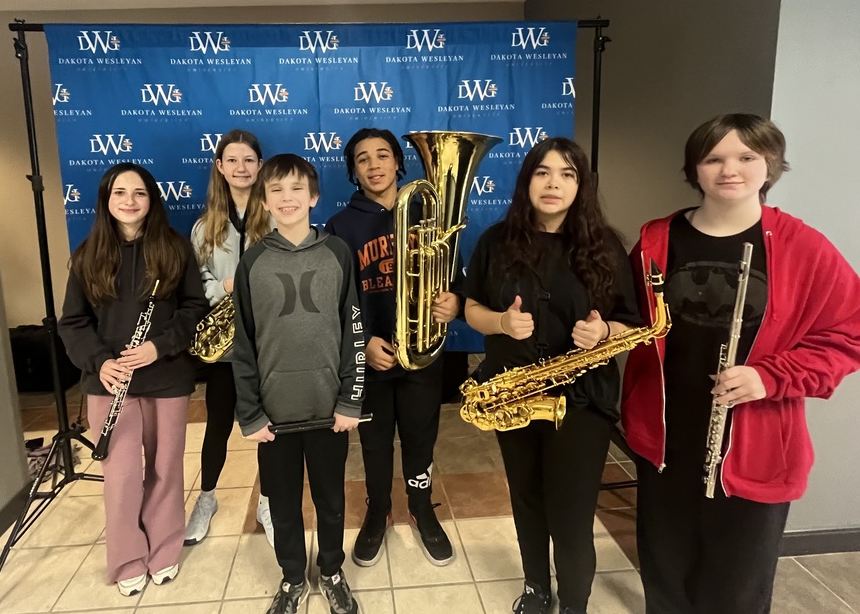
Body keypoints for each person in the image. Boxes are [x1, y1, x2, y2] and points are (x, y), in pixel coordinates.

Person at [622, 113, 860, 614]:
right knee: (665, 575)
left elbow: (848, 333)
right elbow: (628, 320)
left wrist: (770, 376)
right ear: (695, 168)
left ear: (770, 165)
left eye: (745, 157)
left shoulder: (804, 246)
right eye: (713, 158)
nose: (728, 169)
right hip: (667, 440)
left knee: (736, 589)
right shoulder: (656, 239)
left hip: (754, 445)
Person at [464, 137, 639, 614]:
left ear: (581, 185)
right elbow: (470, 306)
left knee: (571, 512)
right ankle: (537, 589)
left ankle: (574, 604)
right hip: (513, 395)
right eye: (542, 172)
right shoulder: (495, 241)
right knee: (527, 499)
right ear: (527, 181)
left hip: (580, 399)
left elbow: (632, 321)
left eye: (567, 173)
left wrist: (604, 331)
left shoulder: (605, 247)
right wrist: (500, 322)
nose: (553, 183)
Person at [59, 163, 208, 596]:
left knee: (165, 468)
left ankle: (164, 549)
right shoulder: (88, 254)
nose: (129, 200)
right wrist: (100, 362)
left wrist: (157, 347)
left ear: (152, 200)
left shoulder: (174, 248)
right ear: (106, 200)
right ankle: (126, 558)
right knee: (121, 475)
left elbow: (194, 309)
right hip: (110, 382)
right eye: (120, 192)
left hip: (166, 375)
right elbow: (73, 323)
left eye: (139, 193)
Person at [231, 154, 366, 614]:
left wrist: (351, 399)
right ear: (264, 201)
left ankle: (330, 570)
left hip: (330, 411)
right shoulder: (252, 263)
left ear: (314, 197)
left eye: (296, 189)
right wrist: (249, 413)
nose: (287, 198)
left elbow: (355, 331)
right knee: (284, 506)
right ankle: (292, 577)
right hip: (275, 418)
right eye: (276, 190)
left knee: (331, 501)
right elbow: (243, 345)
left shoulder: (338, 254)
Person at [325, 128, 463, 568]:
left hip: (422, 352)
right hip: (373, 358)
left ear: (400, 163)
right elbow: (335, 301)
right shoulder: (340, 226)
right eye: (362, 159)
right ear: (353, 172)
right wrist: (361, 346)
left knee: (421, 438)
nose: (374, 164)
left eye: (383, 155)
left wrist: (454, 300)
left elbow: (454, 276)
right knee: (375, 442)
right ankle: (377, 509)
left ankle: (421, 508)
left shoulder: (430, 212)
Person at [184, 130, 275, 547]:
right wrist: (222, 286)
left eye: (249, 160)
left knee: (270, 427)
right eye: (232, 160)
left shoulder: (277, 215)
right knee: (218, 424)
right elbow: (195, 282)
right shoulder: (204, 227)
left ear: (260, 166)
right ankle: (205, 500)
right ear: (219, 167)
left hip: (271, 343)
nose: (241, 168)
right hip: (224, 347)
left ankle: (269, 502)